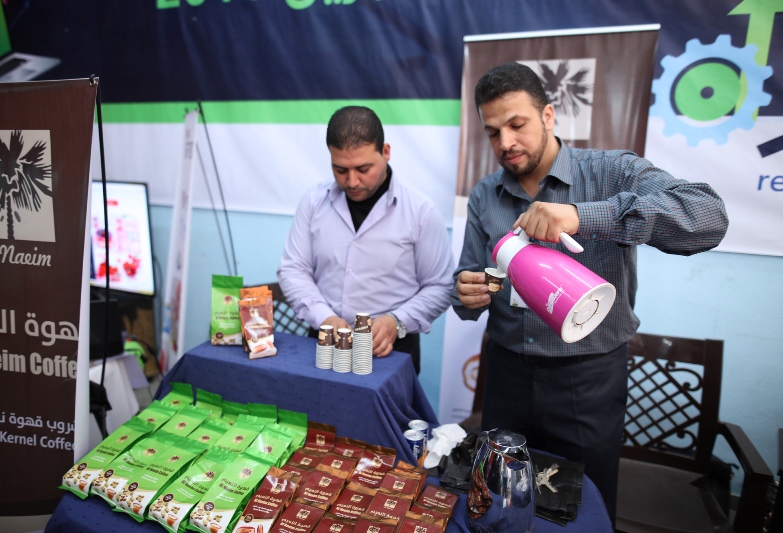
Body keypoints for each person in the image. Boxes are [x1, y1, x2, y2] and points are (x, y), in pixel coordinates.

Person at [452, 62, 728, 525]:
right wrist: (466, 292)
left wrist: (584, 216)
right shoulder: (485, 195)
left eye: (517, 125)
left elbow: (708, 217)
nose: (506, 143)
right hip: (506, 373)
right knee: (498, 499)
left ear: (548, 115)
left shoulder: (610, 173)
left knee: (583, 507)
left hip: (588, 379)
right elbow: (465, 283)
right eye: (493, 132)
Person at [278, 106, 454, 374]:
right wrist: (324, 317)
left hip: (391, 350)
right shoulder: (314, 202)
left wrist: (396, 322)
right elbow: (293, 269)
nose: (352, 181)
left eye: (363, 168)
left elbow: (441, 286)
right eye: (340, 169)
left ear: (386, 152)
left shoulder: (420, 211)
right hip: (324, 343)